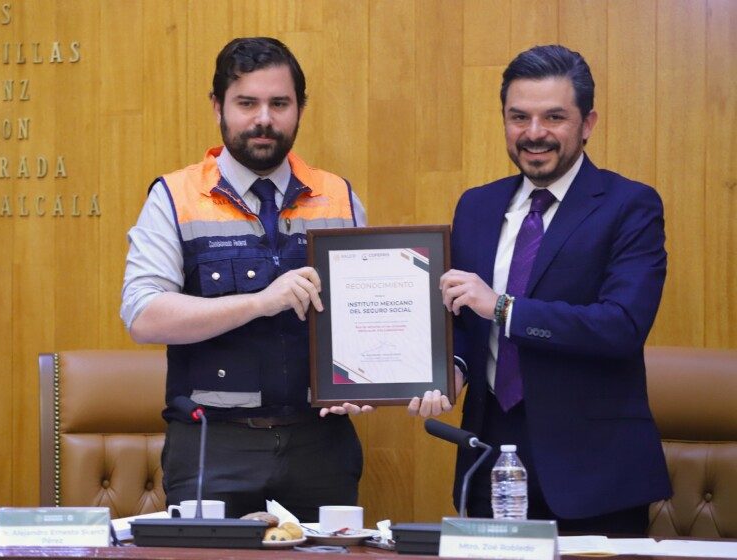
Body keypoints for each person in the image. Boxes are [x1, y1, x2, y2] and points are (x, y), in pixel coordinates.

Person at [409, 44, 671, 534]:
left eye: (554, 117)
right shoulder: (477, 207)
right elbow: (464, 319)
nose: (534, 134)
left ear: (587, 123)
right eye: (519, 117)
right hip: (490, 457)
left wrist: (504, 308)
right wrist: (453, 369)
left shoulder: (629, 206)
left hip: (593, 472)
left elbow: (622, 326)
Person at [121, 37, 371, 521]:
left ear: (300, 108)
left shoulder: (337, 196)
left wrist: (368, 382)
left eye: (279, 103)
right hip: (214, 448)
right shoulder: (174, 196)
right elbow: (144, 316)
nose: (264, 119)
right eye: (246, 103)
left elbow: (362, 314)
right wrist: (260, 302)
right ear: (218, 106)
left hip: (321, 446)